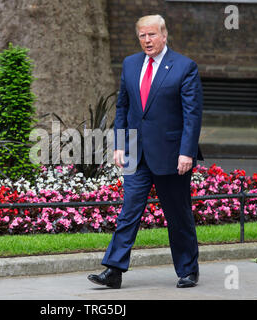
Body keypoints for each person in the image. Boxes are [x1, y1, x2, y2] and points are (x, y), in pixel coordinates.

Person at [88, 14, 204, 289]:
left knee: (178, 215)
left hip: (172, 156)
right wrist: (119, 145)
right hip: (135, 154)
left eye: (152, 34)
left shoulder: (184, 67)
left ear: (164, 35)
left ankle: (188, 270)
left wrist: (186, 152)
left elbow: (193, 114)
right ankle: (113, 270)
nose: (147, 40)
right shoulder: (130, 64)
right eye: (142, 35)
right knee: (128, 212)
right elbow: (123, 108)